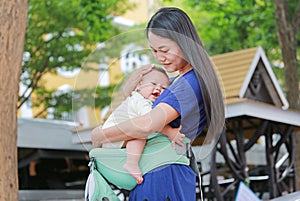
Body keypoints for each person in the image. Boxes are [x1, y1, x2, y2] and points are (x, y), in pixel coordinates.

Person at [92, 7, 225, 200]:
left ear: (183, 42)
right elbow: (140, 112)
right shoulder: (185, 82)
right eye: (154, 51)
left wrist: (100, 134)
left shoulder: (188, 84)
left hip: (161, 176)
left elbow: (147, 124)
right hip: (163, 174)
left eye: (164, 50)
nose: (159, 57)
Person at [101, 65, 185, 184]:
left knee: (141, 130)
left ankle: (132, 162)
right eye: (153, 83)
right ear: (139, 85)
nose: (158, 88)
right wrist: (169, 131)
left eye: (163, 88)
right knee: (142, 130)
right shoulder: (139, 99)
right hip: (113, 136)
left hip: (113, 139)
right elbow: (152, 121)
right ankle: (131, 163)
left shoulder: (138, 100)